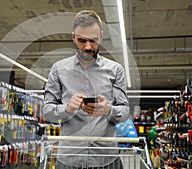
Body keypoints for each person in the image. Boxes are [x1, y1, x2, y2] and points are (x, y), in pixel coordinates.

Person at [43, 10, 130, 169]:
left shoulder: (116, 70)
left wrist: (107, 110)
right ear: (73, 38)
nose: (88, 46)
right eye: (82, 40)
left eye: (93, 40)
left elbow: (124, 112)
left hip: (107, 160)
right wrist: (67, 108)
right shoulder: (58, 69)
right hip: (69, 159)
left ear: (101, 37)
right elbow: (47, 111)